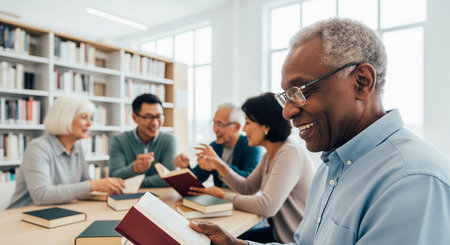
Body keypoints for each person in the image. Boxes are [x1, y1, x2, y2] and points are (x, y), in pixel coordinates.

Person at [189, 18, 450, 244]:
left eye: (300, 92)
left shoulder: (412, 181)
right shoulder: (330, 165)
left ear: (361, 82)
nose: (287, 112)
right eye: (286, 97)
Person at [188, 92, 314, 243]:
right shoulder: (270, 153)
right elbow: (248, 187)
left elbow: (266, 206)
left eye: (247, 123)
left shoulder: (290, 152)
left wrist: (222, 195)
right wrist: (219, 166)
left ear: (265, 126)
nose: (244, 130)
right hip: (278, 235)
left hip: (294, 240)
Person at [8, 95, 125, 209]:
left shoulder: (77, 146)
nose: (90, 124)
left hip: (59, 211)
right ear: (65, 118)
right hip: (22, 216)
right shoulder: (38, 147)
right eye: (84, 117)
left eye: (90, 118)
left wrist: (106, 188)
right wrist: (94, 185)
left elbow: (84, 186)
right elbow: (41, 195)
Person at [174, 103, 263, 187]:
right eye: (214, 123)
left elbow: (250, 180)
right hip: (220, 199)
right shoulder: (215, 146)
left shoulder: (252, 146)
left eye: (219, 124)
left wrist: (218, 165)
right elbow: (198, 178)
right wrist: (186, 167)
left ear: (237, 127)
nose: (215, 129)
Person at [109, 93, 177, 187]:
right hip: (128, 198)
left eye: (158, 116)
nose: (155, 123)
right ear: (134, 118)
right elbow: (114, 177)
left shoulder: (169, 140)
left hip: (162, 197)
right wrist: (134, 168)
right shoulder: (119, 140)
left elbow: (170, 178)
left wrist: (135, 182)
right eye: (148, 117)